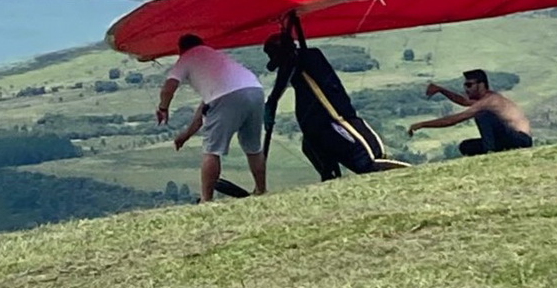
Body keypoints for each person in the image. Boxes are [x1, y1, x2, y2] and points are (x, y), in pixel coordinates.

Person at [263, 30, 408, 180]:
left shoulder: (307, 57)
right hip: (316, 128)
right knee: (313, 151)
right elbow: (285, 72)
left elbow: (288, 68)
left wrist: (272, 101)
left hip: (335, 119)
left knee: (366, 163)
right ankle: (330, 178)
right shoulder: (295, 64)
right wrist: (271, 102)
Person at [156, 33, 266, 202]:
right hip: (255, 90)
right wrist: (186, 135)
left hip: (227, 96)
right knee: (253, 147)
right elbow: (206, 106)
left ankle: (206, 201)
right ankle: (261, 190)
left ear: (181, 49)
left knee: (212, 150)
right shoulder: (216, 57)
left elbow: (168, 88)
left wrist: (163, 108)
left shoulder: (187, 57)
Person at [408, 69, 533, 156]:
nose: (466, 89)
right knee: (466, 147)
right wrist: (441, 90)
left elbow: (454, 119)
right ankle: (492, 150)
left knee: (483, 115)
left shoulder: (490, 101)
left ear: (481, 85)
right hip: (506, 140)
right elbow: (463, 101)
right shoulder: (485, 100)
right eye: (465, 85)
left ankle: (491, 152)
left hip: (520, 140)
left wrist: (422, 124)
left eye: (469, 85)